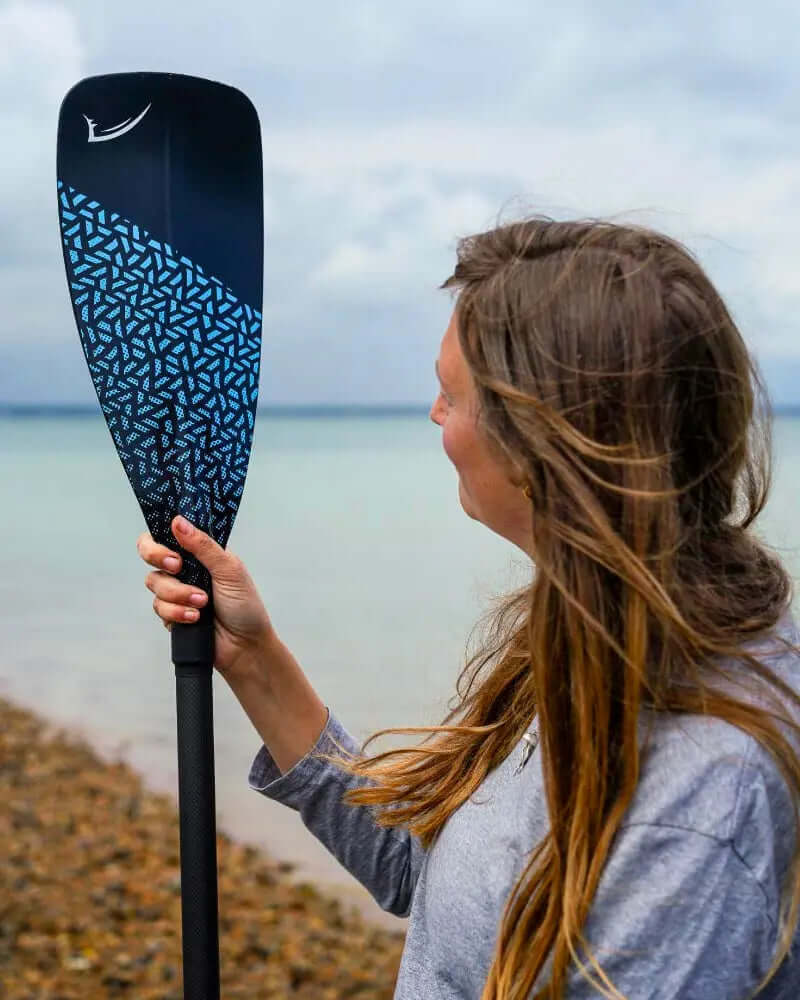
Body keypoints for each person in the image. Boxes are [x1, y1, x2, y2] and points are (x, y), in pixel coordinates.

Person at [137, 217, 800, 999]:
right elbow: (440, 882)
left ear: (545, 441)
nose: (434, 416)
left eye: (451, 393)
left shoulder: (698, 808)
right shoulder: (603, 635)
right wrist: (253, 659)